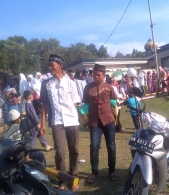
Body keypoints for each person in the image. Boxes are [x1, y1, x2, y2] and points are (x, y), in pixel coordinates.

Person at [40, 54, 80, 191]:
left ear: (60, 66)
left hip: (72, 120)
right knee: (60, 152)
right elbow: (44, 105)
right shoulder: (46, 84)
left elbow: (75, 103)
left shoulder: (71, 83)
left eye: (52, 65)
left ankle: (73, 176)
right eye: (49, 65)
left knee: (74, 149)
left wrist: (70, 115)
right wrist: (43, 123)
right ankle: (62, 180)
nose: (50, 67)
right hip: (56, 121)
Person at [82, 64, 118, 184]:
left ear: (103, 76)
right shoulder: (87, 88)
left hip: (108, 119)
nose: (96, 77)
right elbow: (85, 103)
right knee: (94, 147)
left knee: (111, 146)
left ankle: (112, 171)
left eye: (99, 75)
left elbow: (113, 102)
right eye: (94, 74)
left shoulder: (109, 88)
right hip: (94, 121)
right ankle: (94, 172)